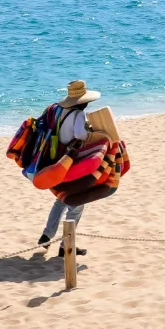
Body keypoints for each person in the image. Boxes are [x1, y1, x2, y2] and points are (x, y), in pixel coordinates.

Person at [37, 81, 109, 257]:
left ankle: (47, 235)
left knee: (61, 198)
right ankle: (65, 245)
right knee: (77, 203)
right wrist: (91, 131)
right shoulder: (77, 114)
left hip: (56, 158)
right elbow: (79, 135)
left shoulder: (58, 110)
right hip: (72, 160)